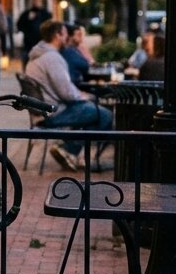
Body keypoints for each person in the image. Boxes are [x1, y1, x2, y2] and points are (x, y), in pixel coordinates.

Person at [26, 20, 113, 172]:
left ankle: (68, 148)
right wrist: (84, 96)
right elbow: (66, 93)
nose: (67, 38)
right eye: (65, 34)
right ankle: (69, 149)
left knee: (91, 110)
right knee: (104, 114)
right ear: (57, 35)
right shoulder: (52, 58)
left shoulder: (36, 54)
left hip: (42, 111)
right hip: (53, 113)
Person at [16, 0, 51, 67]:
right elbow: (19, 26)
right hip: (28, 45)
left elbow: (49, 26)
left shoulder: (45, 14)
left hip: (42, 44)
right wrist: (28, 20)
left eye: (37, 0)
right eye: (34, 0)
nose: (35, 2)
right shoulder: (26, 14)